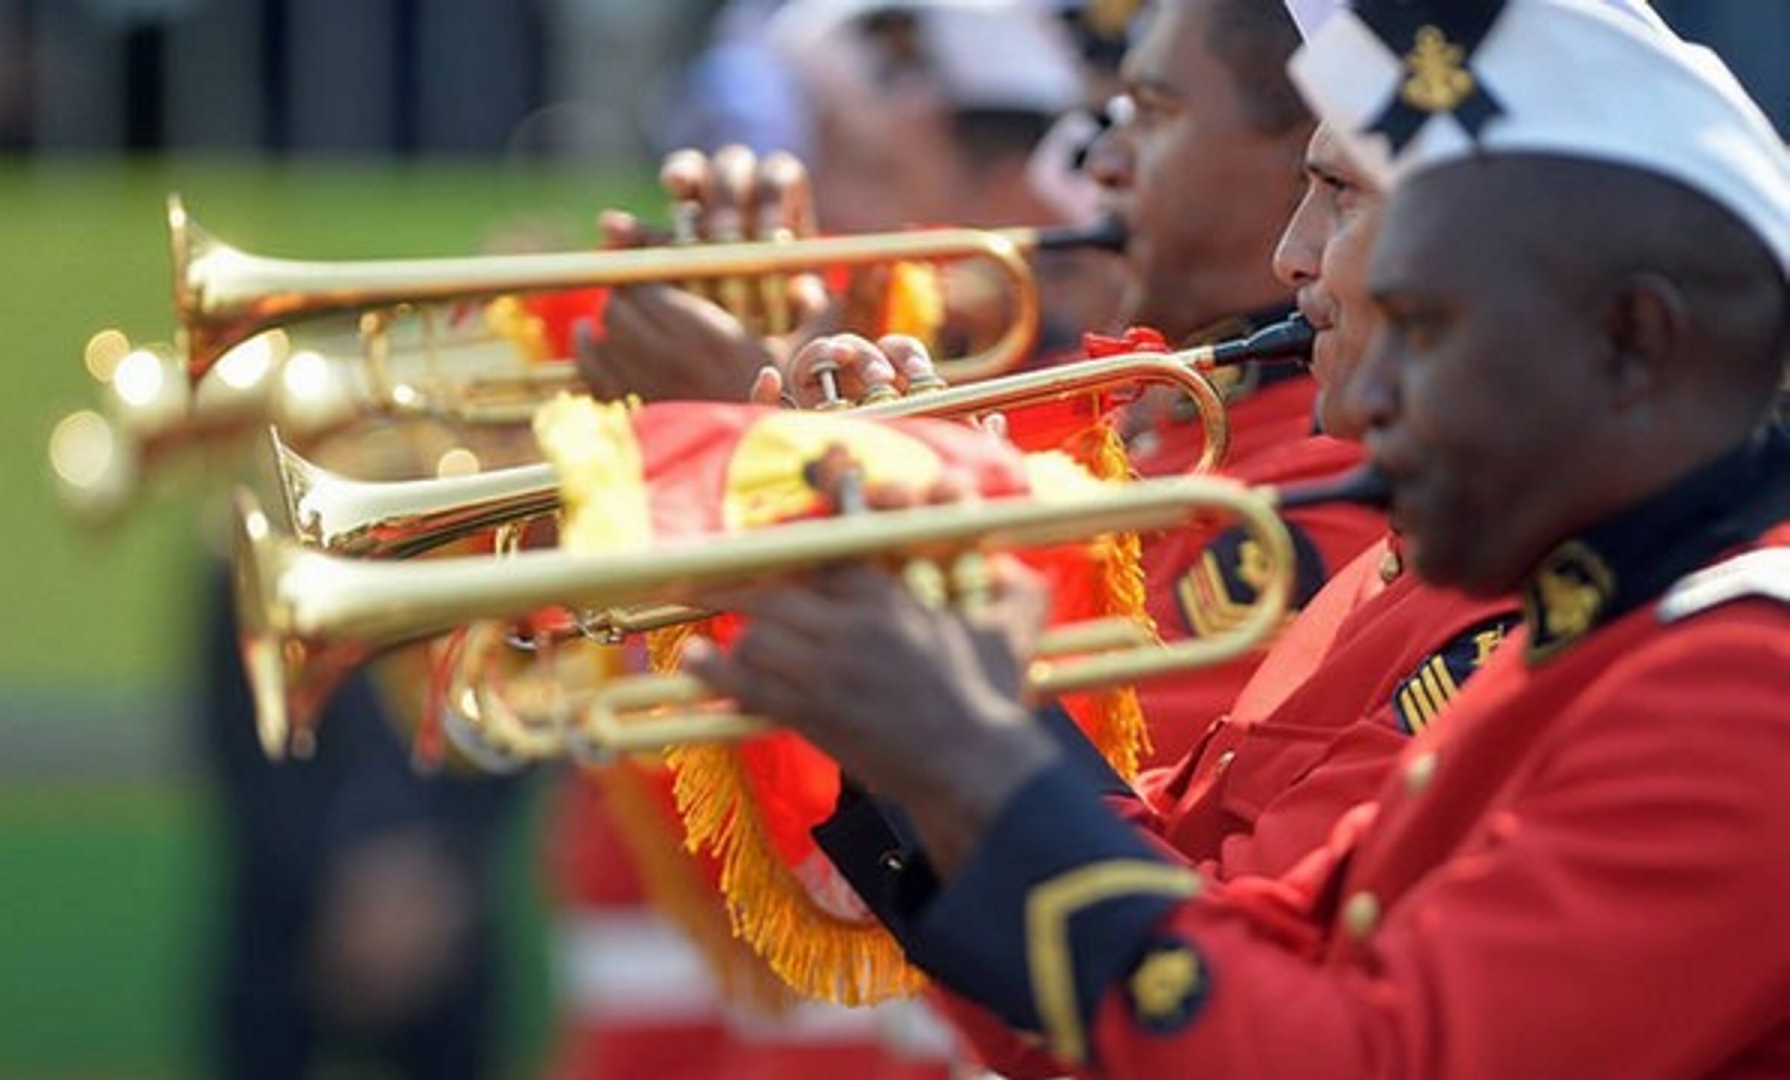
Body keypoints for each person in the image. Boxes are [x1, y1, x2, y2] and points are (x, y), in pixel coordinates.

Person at [689, 0, 1790, 1074]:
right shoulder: (1600, 635)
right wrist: (932, 748)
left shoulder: (1749, 680)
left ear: (1636, 339)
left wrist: (981, 752)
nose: (1367, 395)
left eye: (1426, 329)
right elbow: (1191, 991)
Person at [580, 0, 1388, 771]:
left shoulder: (1323, 480)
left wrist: (761, 442)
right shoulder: (1128, 406)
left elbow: (1057, 796)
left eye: (1149, 112)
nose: (1093, 166)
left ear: (1308, 159)